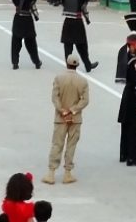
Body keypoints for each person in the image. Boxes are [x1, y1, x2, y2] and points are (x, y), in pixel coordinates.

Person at [43, 54, 90, 185]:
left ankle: (51, 173)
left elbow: (55, 97)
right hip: (75, 118)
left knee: (57, 143)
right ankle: (67, 173)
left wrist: (62, 110)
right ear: (77, 65)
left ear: (66, 63)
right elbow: (85, 100)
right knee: (71, 145)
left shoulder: (59, 78)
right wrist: (73, 110)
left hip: (60, 117)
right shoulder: (82, 81)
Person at [0, 0, 48, 69]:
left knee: (16, 42)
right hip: (28, 20)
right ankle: (37, 62)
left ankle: (15, 63)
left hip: (18, 19)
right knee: (31, 43)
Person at [59, 0, 103, 72]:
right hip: (78, 23)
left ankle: (69, 66)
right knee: (82, 46)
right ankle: (87, 65)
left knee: (68, 46)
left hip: (67, 22)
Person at [117, 34, 136, 166]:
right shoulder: (134, 61)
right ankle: (132, 156)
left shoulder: (128, 57)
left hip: (128, 95)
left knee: (126, 126)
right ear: (132, 46)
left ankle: (124, 154)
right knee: (135, 127)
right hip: (134, 96)